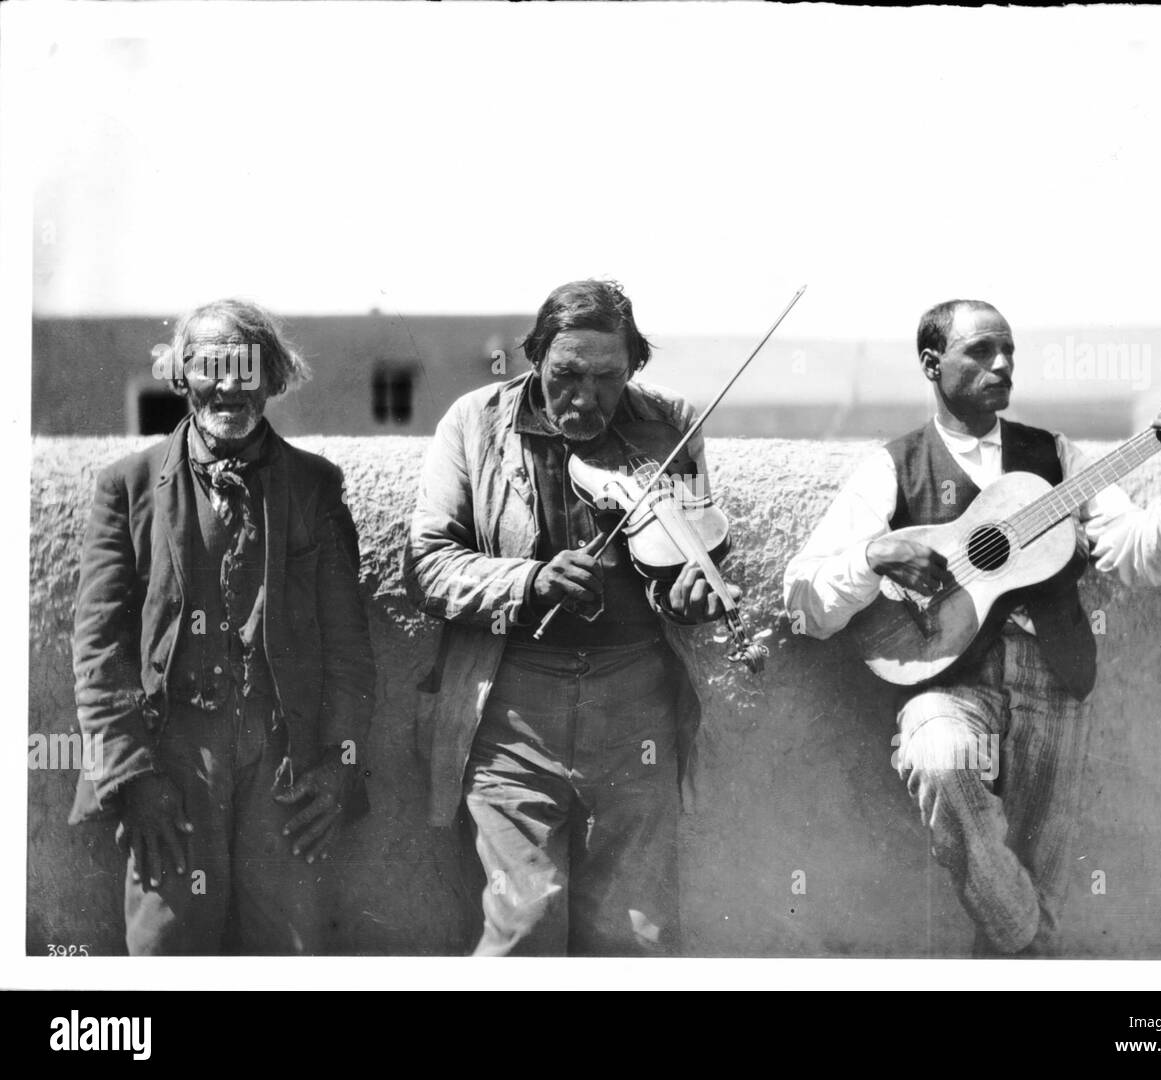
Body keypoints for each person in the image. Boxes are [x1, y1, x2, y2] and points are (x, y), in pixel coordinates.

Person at [783, 299, 1161, 956]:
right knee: (940, 764)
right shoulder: (892, 467)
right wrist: (873, 555)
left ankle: (1018, 953)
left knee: (1036, 870)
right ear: (931, 363)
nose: (1003, 363)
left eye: (1008, 349)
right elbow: (805, 601)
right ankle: (1036, 943)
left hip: (1055, 678)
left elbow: (1142, 558)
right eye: (981, 350)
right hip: (946, 678)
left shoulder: (1055, 456)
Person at [403, 278, 740, 956]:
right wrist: (528, 580)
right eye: (567, 375)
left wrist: (691, 598)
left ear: (634, 368)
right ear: (536, 358)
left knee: (636, 934)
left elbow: (685, 561)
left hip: (634, 703)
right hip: (511, 709)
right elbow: (427, 564)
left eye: (608, 378)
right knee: (522, 923)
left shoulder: (670, 425)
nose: (585, 397)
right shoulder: (473, 422)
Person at [69, 298, 376, 955]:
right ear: (182, 377)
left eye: (248, 368)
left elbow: (349, 648)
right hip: (171, 757)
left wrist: (340, 766)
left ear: (273, 379)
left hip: (283, 759)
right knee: (164, 950)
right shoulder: (125, 488)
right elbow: (98, 650)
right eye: (211, 366)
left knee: (292, 953)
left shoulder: (316, 487)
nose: (230, 386)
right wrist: (130, 777)